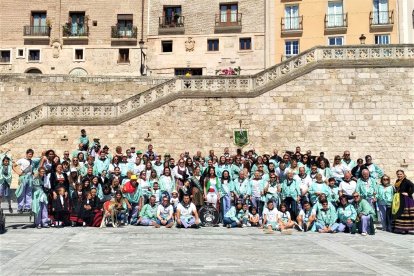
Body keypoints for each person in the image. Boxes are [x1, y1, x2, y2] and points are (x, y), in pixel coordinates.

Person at [13, 149, 37, 213]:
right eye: (29, 154)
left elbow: (33, 171)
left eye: (31, 154)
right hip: (23, 177)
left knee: (29, 193)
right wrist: (18, 173)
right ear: (26, 154)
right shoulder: (22, 160)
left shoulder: (33, 162)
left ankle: (27, 207)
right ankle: (20, 207)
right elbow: (14, 165)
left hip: (30, 178)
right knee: (21, 192)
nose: (30, 155)